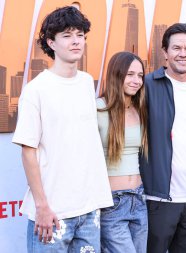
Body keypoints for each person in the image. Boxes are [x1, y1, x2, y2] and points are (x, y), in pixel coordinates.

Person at [12, 6, 113, 252]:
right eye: (67, 35)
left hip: (89, 209)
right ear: (51, 43)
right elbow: (28, 152)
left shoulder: (87, 82)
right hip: (53, 212)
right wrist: (42, 206)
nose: (76, 41)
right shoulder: (36, 90)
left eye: (79, 34)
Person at [139, 23, 186, 253]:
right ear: (165, 52)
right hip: (158, 199)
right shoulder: (147, 86)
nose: (183, 54)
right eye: (176, 48)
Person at [97, 52, 148, 253]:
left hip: (139, 198)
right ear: (116, 75)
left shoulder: (139, 109)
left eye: (140, 75)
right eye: (130, 74)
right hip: (112, 201)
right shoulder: (99, 108)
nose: (136, 81)